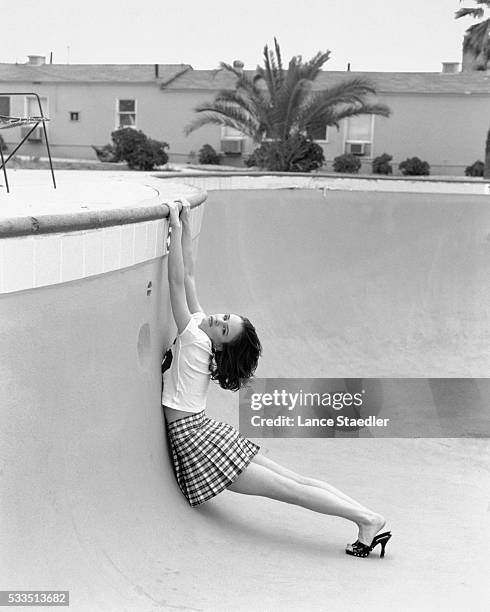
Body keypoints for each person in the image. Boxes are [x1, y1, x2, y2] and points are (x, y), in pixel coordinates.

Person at [161, 199, 392, 559]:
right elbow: (190, 276)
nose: (214, 320)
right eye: (223, 318)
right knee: (295, 482)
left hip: (198, 442)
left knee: (293, 488)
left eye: (222, 327)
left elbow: (177, 280)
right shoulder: (202, 335)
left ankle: (366, 518)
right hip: (204, 431)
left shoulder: (193, 336)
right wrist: (186, 227)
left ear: (220, 346)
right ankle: (369, 517)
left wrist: (175, 223)